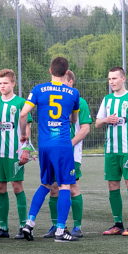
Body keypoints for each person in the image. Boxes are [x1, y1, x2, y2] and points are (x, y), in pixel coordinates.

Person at [18, 57, 81, 243]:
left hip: (44, 144)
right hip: (62, 144)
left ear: (50, 71)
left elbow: (23, 113)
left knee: (45, 184)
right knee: (65, 185)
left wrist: (24, 134)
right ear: (67, 72)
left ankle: (29, 223)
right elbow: (74, 119)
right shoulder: (73, 93)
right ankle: (61, 231)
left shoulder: (38, 89)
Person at [96, 67, 128, 236]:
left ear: (123, 79)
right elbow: (97, 123)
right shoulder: (107, 99)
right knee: (112, 185)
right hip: (111, 151)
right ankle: (117, 224)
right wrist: (105, 120)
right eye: (109, 79)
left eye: (115, 78)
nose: (112, 82)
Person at [41, 70, 92, 238]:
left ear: (70, 82)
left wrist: (69, 144)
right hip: (54, 151)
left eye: (63, 81)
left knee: (72, 187)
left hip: (71, 153)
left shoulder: (79, 102)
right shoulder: (51, 99)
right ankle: (56, 226)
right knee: (53, 188)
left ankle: (77, 226)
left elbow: (85, 128)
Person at [0, 69, 31, 240]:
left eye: (5, 83)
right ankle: (2, 227)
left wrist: (25, 149)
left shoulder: (21, 102)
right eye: (0, 83)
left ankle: (23, 226)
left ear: (13, 83)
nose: (2, 86)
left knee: (17, 186)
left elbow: (27, 126)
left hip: (14, 152)